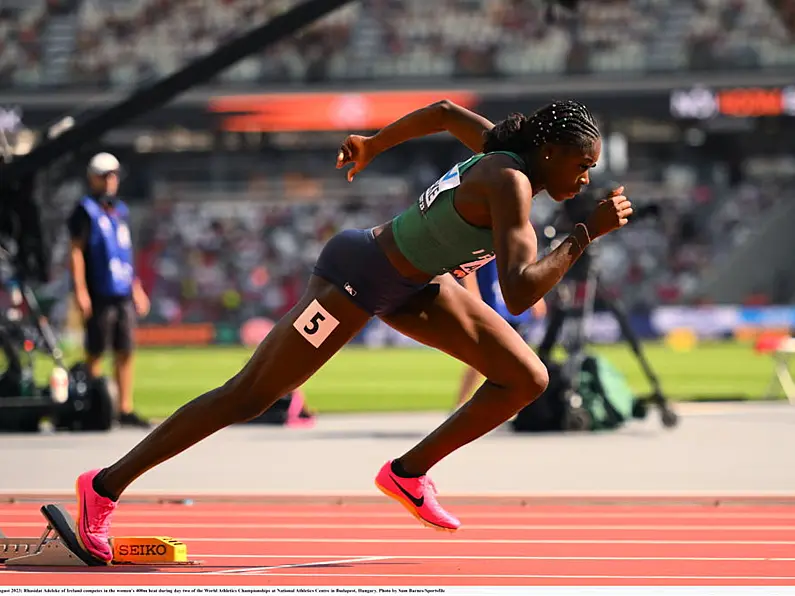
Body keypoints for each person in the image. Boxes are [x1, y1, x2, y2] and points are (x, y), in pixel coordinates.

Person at [71, 98, 632, 564]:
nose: (585, 178)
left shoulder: (500, 149)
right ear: (550, 152)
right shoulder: (509, 182)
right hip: (357, 279)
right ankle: (103, 487)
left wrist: (372, 143)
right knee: (248, 395)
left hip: (415, 287)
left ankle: (408, 473)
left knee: (525, 377)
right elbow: (519, 291)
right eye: (582, 165)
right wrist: (585, 233)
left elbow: (441, 112)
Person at [67, 152, 151, 429]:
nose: (110, 180)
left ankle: (123, 407)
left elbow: (126, 253)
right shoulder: (84, 210)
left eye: (113, 175)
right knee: (96, 349)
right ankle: (95, 404)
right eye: (105, 175)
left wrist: (136, 287)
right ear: (93, 178)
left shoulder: (121, 211)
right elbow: (76, 251)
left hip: (122, 290)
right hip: (99, 290)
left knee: (125, 348)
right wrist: (80, 290)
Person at [454, 259, 547, 411]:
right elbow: (468, 263)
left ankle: (512, 407)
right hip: (491, 291)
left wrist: (536, 296)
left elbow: (527, 259)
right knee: (485, 353)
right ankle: (461, 405)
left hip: (510, 293)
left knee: (517, 355)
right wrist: (472, 293)